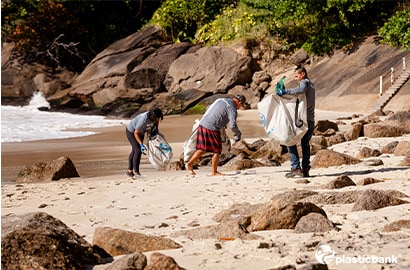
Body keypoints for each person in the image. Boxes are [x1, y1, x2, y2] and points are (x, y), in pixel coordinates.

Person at [185, 95, 246, 176]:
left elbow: (208, 108)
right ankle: (214, 172)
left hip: (202, 124)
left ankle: (189, 164)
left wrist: (220, 120)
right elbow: (233, 125)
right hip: (212, 128)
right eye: (241, 105)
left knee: (203, 148)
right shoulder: (232, 109)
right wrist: (238, 134)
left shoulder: (221, 99)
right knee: (217, 150)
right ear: (239, 102)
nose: (240, 107)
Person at [277, 65, 315, 178]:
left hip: (303, 121)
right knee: (305, 144)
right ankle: (306, 169)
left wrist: (285, 91)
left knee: (290, 141)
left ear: (303, 74)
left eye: (296, 76)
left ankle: (295, 167)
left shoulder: (305, 82)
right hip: (310, 119)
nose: (295, 78)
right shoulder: (311, 85)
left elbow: (300, 89)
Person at [126, 107, 163, 179]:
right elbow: (136, 133)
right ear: (152, 117)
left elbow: (156, 122)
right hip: (131, 132)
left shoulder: (155, 118)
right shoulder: (143, 120)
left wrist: (155, 130)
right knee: (138, 150)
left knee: (135, 151)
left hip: (141, 132)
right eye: (156, 118)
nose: (157, 119)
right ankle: (136, 173)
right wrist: (141, 144)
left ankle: (129, 171)